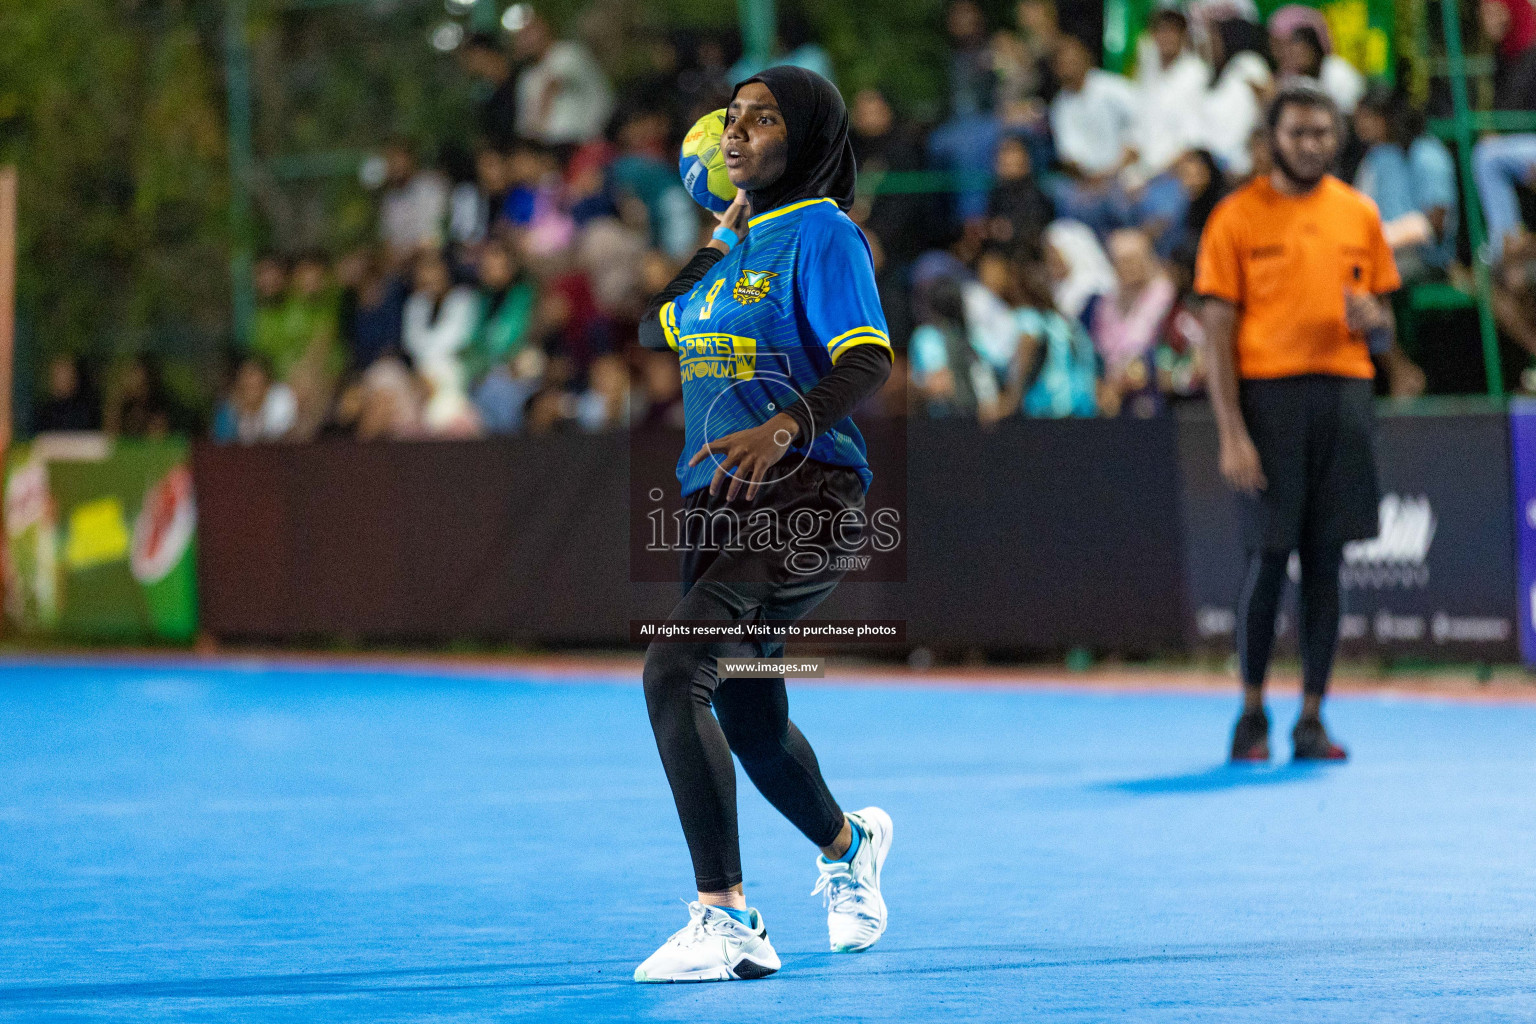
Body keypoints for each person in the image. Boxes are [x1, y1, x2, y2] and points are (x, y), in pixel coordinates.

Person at [633, 66, 894, 983]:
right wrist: (717, 237)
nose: (737, 132)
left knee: (673, 670)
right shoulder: (736, 246)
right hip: (717, 501)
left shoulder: (823, 233)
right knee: (745, 710)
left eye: (762, 118)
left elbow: (867, 362)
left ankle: (727, 917)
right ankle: (848, 842)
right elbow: (654, 325)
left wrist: (787, 426)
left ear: (809, 136)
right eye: (731, 118)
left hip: (806, 490)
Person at [1195, 81, 1399, 762]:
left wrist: (1378, 323)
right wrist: (1231, 432)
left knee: (1327, 565)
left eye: (1322, 132)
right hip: (1267, 403)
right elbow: (1215, 334)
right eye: (1298, 133)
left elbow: (1385, 326)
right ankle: (1251, 715)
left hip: (1344, 397)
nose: (1312, 144)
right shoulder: (1236, 217)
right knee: (1267, 560)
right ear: (1272, 139)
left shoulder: (1360, 213)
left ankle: (1312, 719)